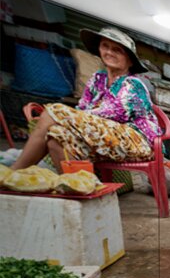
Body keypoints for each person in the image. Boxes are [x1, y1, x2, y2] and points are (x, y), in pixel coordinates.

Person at [11, 26, 161, 172]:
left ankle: (14, 172)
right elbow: (81, 109)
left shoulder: (133, 83)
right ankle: (81, 189)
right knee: (57, 136)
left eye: (117, 50)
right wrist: (70, 118)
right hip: (106, 136)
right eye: (105, 46)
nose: (109, 52)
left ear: (130, 60)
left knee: (55, 111)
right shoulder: (97, 79)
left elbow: (115, 112)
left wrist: (66, 116)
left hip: (138, 141)